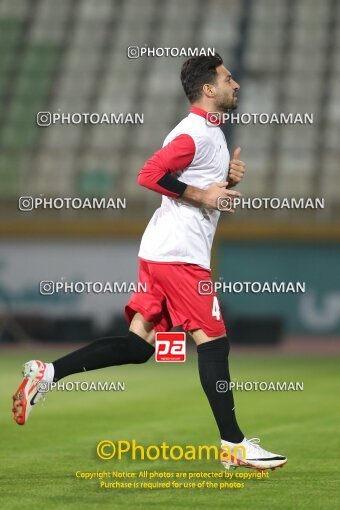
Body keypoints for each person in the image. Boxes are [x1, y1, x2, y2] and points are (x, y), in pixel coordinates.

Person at [12, 53, 287, 471]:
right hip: (178, 255)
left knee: (137, 347)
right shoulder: (195, 132)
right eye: (228, 79)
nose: (237, 85)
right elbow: (149, 174)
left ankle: (46, 373)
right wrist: (204, 195)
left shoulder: (209, 133)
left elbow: (194, 186)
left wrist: (225, 182)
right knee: (213, 340)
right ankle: (233, 444)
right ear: (209, 89)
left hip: (162, 250)